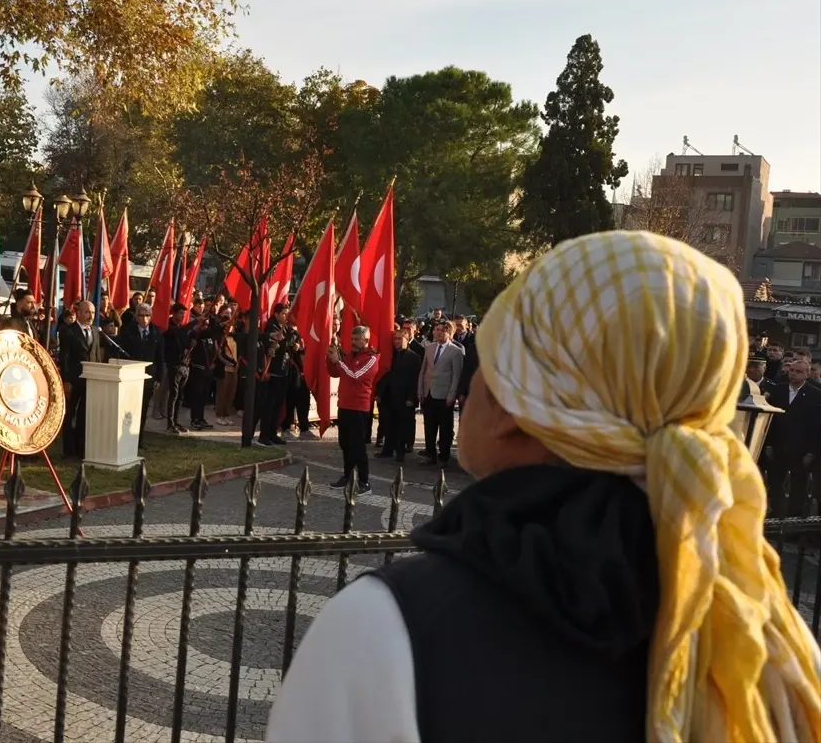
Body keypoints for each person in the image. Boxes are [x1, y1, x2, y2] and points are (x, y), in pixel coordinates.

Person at [267, 230, 821, 743]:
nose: (477, 381)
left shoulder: (384, 632)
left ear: (516, 403)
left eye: (493, 355)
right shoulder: (774, 643)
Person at [763, 358, 820, 518]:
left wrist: (811, 452)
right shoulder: (779, 390)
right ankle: (776, 514)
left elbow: (815, 426)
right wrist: (769, 444)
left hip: (800, 449)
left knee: (797, 486)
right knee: (775, 483)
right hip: (778, 445)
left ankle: (793, 519)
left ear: (807, 374)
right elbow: (770, 420)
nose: (793, 374)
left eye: (798, 371)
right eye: (792, 370)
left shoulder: (815, 394)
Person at [325, 326, 377, 494]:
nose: (353, 342)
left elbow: (356, 375)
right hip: (344, 405)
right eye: (352, 339)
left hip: (359, 408)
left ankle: (364, 481)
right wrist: (330, 358)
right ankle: (347, 476)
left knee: (358, 446)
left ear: (366, 340)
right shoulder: (348, 356)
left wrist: (338, 362)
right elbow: (335, 373)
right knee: (345, 444)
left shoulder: (371, 359)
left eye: (357, 339)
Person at [58, 300, 104, 458]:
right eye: (87, 312)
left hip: (90, 380)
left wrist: (99, 376)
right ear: (78, 313)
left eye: (92, 312)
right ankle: (68, 450)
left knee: (85, 415)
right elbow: (64, 357)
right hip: (74, 379)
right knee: (70, 414)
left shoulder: (96, 332)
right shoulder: (68, 331)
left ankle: (81, 449)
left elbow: (97, 355)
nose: (90, 315)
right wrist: (66, 380)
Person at [416, 320, 464, 466]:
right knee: (429, 426)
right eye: (436, 329)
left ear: (449, 332)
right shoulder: (429, 348)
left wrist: (452, 395)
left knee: (445, 428)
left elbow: (456, 375)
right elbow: (423, 370)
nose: (437, 332)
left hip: (444, 395)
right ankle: (430, 454)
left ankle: (444, 456)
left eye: (441, 330)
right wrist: (420, 390)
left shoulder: (455, 351)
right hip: (429, 392)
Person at [118, 303, 163, 448]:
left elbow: (160, 357)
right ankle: (123, 438)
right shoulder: (128, 331)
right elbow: (121, 353)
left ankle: (138, 439)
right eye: (141, 315)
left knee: (142, 409)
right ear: (136, 316)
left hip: (148, 377)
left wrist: (159, 378)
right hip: (130, 377)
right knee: (128, 408)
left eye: (147, 315)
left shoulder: (156, 332)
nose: (144, 319)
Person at [377, 329, 422, 463]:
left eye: (399, 339)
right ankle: (387, 450)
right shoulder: (389, 355)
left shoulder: (414, 357)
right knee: (388, 424)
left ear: (407, 340)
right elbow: (383, 376)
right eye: (395, 339)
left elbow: (414, 380)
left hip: (404, 397)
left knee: (402, 425)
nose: (396, 341)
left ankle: (400, 452)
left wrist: (411, 398)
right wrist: (379, 393)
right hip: (388, 396)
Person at [258, 304, 291, 446]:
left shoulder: (286, 327)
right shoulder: (270, 327)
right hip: (273, 372)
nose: (285, 316)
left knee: (278, 406)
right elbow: (266, 345)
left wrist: (293, 344)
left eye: (286, 314)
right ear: (276, 314)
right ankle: (264, 435)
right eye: (283, 314)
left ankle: (273, 433)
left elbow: (289, 341)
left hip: (283, 371)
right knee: (269, 406)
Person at [163, 303, 191, 434]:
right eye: (180, 313)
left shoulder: (182, 328)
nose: (182, 316)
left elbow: (185, 343)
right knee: (173, 395)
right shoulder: (168, 327)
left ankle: (176, 420)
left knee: (180, 395)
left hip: (184, 365)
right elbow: (177, 333)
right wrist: (197, 321)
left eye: (183, 314)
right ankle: (170, 423)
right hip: (173, 365)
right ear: (173, 313)